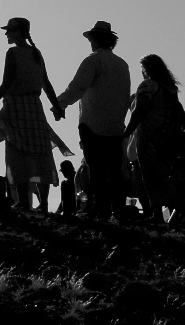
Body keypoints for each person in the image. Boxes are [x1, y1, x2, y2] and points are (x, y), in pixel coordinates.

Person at [0, 18, 72, 212]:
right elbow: (46, 83)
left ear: (19, 32)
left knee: (16, 153)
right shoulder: (36, 53)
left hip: (16, 107)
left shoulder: (12, 53)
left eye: (10, 31)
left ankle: (23, 200)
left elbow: (6, 84)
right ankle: (44, 203)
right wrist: (57, 107)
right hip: (35, 108)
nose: (6, 34)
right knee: (41, 152)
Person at [54, 21, 131, 221]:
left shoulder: (92, 61)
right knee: (115, 171)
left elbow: (77, 87)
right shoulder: (123, 65)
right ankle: (119, 212)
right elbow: (125, 97)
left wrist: (59, 104)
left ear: (95, 40)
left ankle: (103, 212)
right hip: (115, 126)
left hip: (92, 124)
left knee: (96, 171)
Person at [123, 54, 185, 223]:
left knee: (150, 174)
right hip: (168, 136)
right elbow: (180, 114)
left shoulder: (147, 85)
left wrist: (127, 131)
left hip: (150, 134)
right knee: (163, 173)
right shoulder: (170, 89)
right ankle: (172, 213)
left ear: (147, 69)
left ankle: (157, 214)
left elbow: (139, 111)